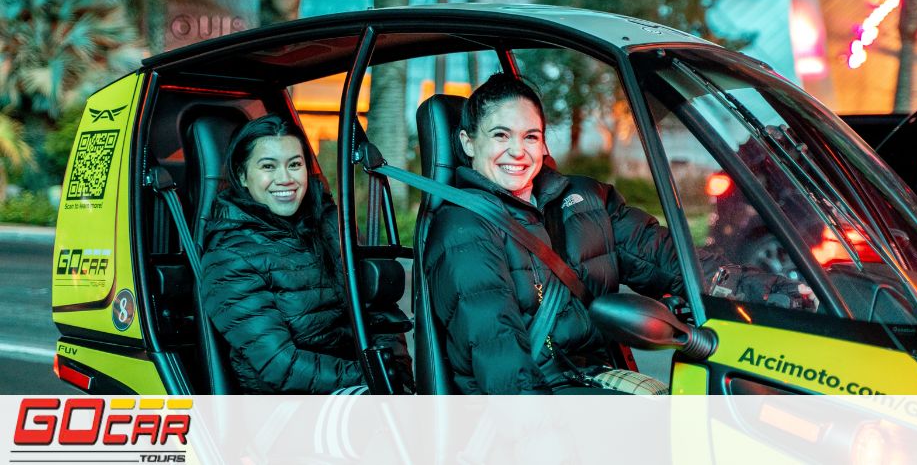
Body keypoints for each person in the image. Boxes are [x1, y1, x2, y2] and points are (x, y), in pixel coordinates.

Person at [423, 74, 815, 395]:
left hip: (590, 376)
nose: (517, 152)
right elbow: (497, 354)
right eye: (500, 135)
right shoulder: (463, 228)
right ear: (467, 142)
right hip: (530, 397)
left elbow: (667, 259)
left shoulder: (585, 200)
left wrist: (770, 292)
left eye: (530, 136)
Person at [201, 113, 410, 394]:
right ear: (243, 176)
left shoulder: (332, 225)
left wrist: (395, 371)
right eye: (268, 166)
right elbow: (281, 365)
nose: (285, 179)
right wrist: (372, 377)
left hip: (359, 385)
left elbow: (377, 310)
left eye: (295, 164)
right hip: (285, 407)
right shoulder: (229, 257)